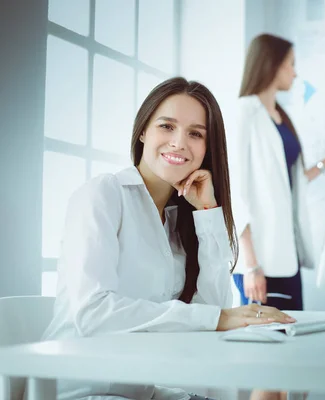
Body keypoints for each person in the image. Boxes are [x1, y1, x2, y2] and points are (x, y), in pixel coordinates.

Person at [41, 77, 295, 400]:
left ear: (207, 148)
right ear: (143, 131)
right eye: (166, 126)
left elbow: (213, 307)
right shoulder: (104, 194)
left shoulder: (177, 224)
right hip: (81, 390)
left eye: (195, 134)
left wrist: (208, 213)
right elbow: (94, 313)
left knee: (273, 390)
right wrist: (217, 319)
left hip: (139, 391)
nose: (179, 143)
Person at [230, 33, 325, 311]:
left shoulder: (280, 116)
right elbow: (234, 192)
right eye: (291, 63)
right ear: (272, 64)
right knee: (267, 343)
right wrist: (251, 264)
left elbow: (287, 183)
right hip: (260, 263)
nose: (295, 71)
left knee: (293, 338)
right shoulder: (245, 113)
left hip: (287, 256)